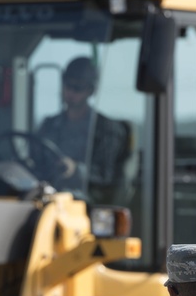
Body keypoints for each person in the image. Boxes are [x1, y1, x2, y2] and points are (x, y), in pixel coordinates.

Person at [36, 56, 133, 203]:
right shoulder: (49, 125)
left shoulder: (107, 129)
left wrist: (75, 169)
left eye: (78, 88)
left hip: (89, 203)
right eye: (67, 86)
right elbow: (34, 161)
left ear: (91, 90)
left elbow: (106, 174)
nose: (70, 92)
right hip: (46, 198)